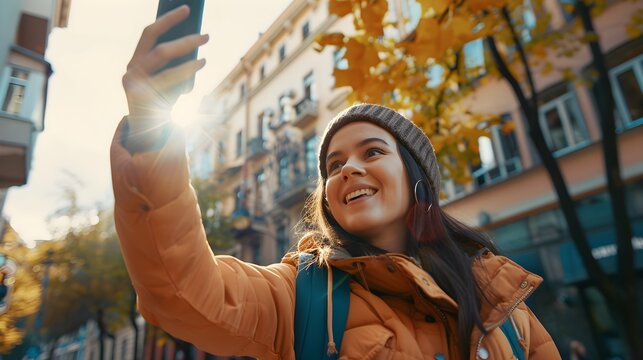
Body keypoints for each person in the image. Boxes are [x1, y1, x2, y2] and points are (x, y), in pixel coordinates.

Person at [112, 5, 561, 359]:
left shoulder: (505, 306)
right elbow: (183, 291)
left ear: (416, 176)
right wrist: (151, 132)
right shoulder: (300, 296)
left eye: (373, 152)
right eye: (332, 164)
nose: (347, 169)